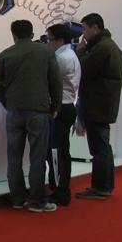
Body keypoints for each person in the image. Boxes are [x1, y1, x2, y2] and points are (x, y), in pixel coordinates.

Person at [0, 20, 62, 213]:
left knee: (14, 156)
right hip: (38, 110)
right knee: (37, 157)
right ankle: (38, 201)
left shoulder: (5, 54)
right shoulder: (46, 52)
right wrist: (55, 106)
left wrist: (8, 102)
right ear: (32, 34)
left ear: (13, 35)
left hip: (14, 111)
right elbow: (55, 81)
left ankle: (17, 199)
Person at [74, 13, 122, 200]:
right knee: (103, 147)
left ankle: (100, 187)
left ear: (95, 28)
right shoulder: (111, 46)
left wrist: (80, 51)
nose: (83, 33)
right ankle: (106, 185)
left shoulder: (102, 48)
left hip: (97, 105)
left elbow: (84, 69)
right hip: (103, 104)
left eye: (85, 29)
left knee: (99, 148)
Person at [45, 24, 81, 206]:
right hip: (66, 107)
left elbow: (47, 79)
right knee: (61, 151)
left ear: (60, 40)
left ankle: (60, 190)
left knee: (56, 152)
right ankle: (61, 188)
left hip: (60, 108)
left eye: (49, 39)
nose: (47, 43)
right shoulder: (70, 55)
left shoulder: (61, 58)